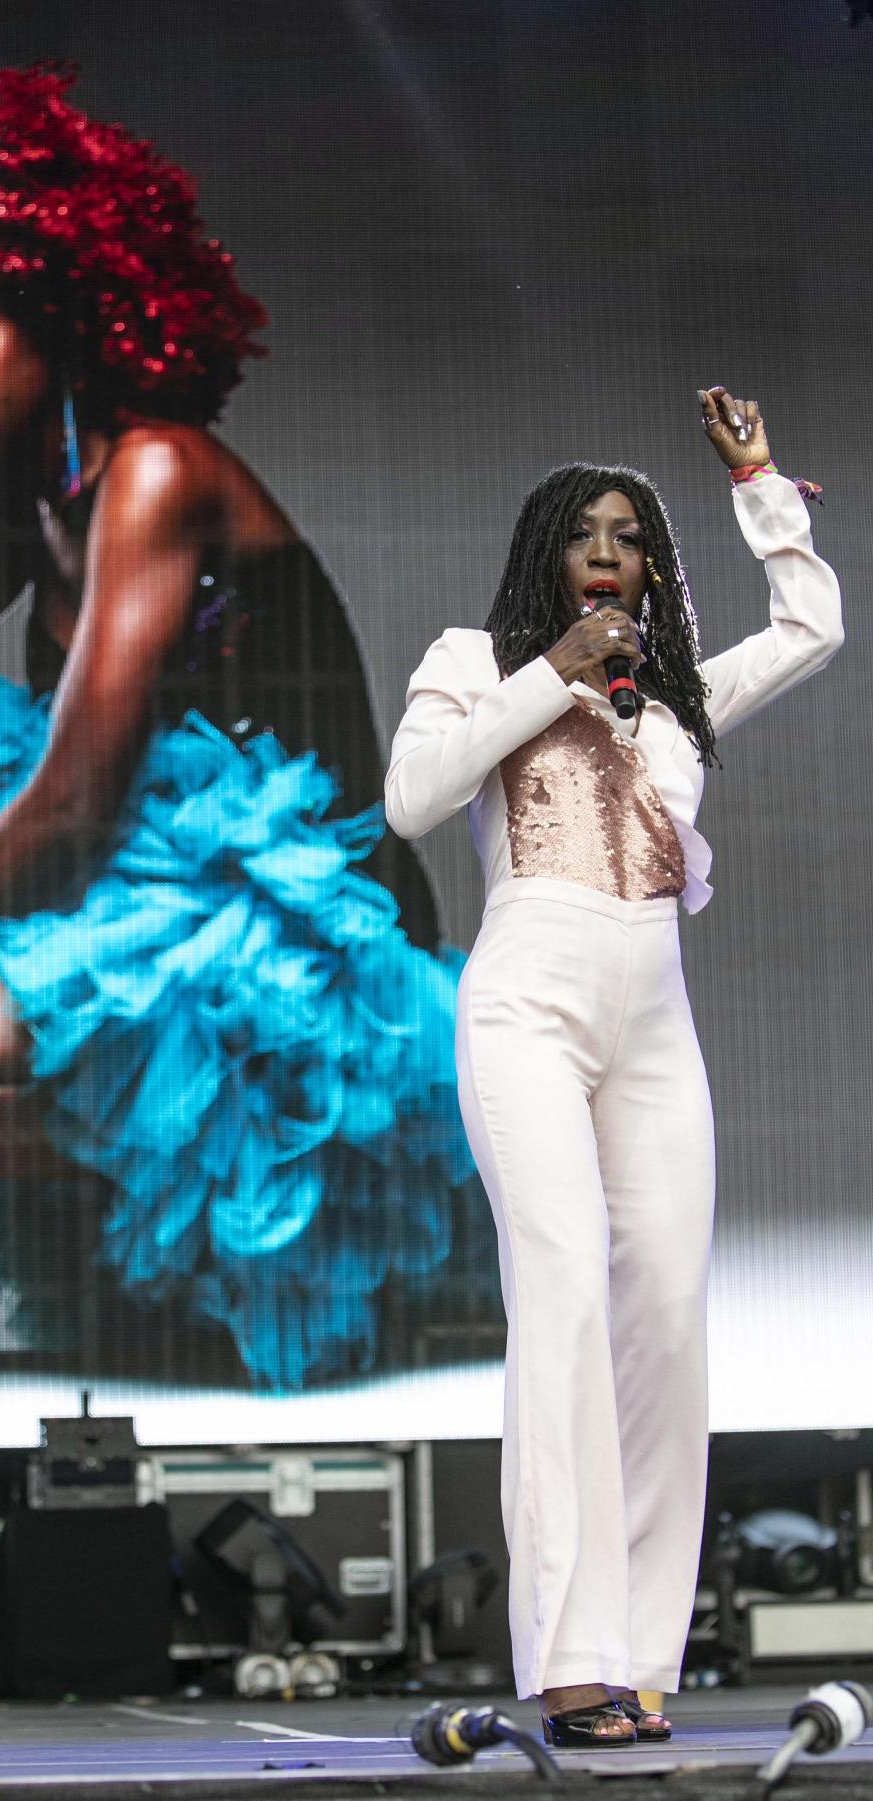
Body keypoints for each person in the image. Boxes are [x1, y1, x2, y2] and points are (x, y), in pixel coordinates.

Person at [0, 62, 497, 1389]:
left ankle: (234, 1161)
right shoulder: (42, 488)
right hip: (140, 877)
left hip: (287, 933)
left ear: (58, 306)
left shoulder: (157, 472)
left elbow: (70, 801)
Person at [384, 387, 842, 1744]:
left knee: (670, 1325)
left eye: (630, 534)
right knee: (567, 1297)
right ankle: (568, 1653)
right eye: (582, 531)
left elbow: (816, 625)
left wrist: (757, 483)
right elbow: (413, 801)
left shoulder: (684, 699)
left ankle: (642, 1655)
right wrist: (555, 672)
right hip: (526, 1000)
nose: (607, 548)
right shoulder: (476, 657)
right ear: (547, 554)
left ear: (653, 565)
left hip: (654, 1018)